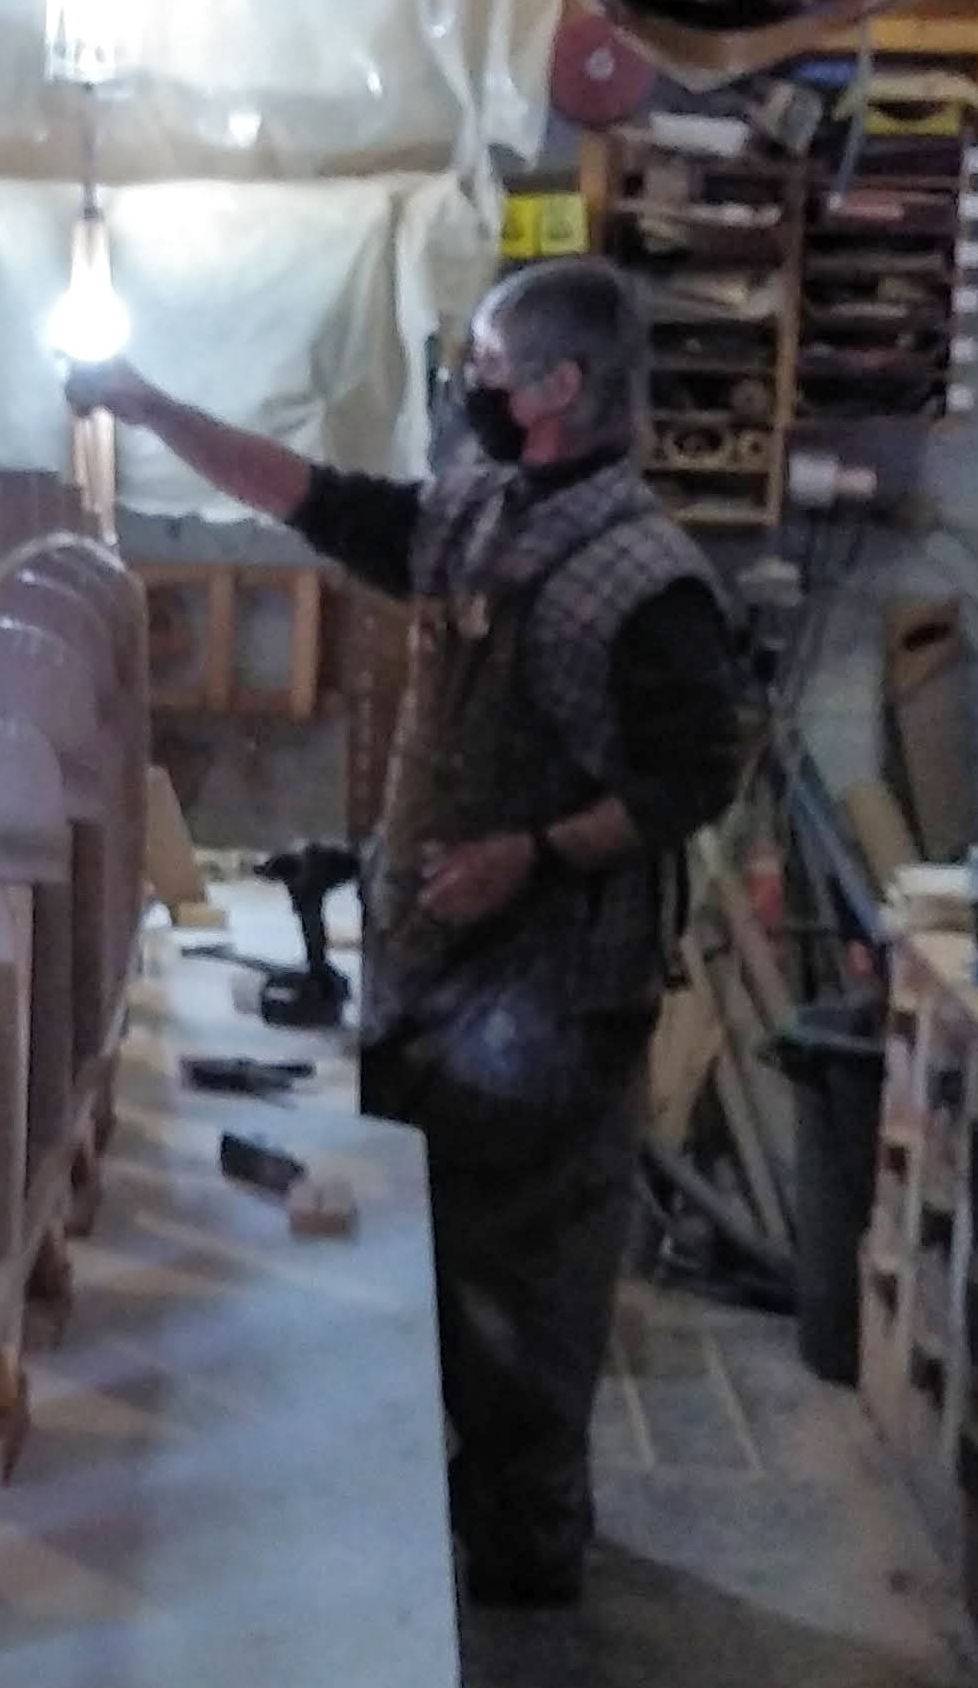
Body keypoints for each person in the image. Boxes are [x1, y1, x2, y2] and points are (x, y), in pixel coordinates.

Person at [70, 257, 739, 1606]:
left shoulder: (649, 582)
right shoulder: (488, 509)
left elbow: (692, 780)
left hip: (553, 998)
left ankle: (530, 1577)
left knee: (526, 1302)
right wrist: (153, 410)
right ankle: (453, 1528)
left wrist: (531, 856)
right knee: (423, 1266)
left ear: (557, 387)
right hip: (439, 972)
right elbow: (322, 502)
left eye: (486, 367)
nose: (465, 389)